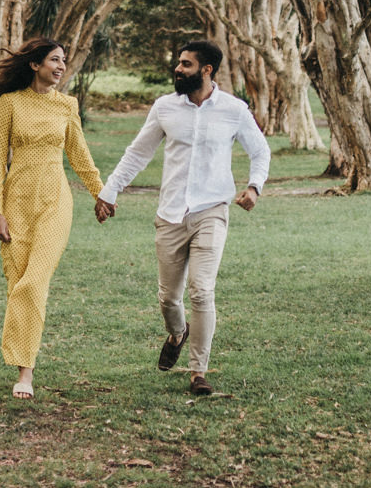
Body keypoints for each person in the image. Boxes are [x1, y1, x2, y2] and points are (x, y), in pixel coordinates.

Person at [94, 39, 270, 396]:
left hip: (212, 211)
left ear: (206, 70)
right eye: (179, 62)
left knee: (202, 292)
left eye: (186, 64)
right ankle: (177, 332)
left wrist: (254, 187)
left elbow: (260, 150)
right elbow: (137, 153)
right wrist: (109, 191)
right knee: (169, 298)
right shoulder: (165, 108)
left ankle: (198, 372)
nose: (178, 69)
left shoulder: (234, 110)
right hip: (170, 214)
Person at [0, 36, 105, 400]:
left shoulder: (67, 105)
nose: (61, 66)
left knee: (33, 283)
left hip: (55, 202)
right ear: (35, 65)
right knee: (17, 282)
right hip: (16, 204)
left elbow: (79, 155)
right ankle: (23, 365)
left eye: (63, 60)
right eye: (54, 59)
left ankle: (26, 373)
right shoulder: (10, 103)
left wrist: (101, 194)